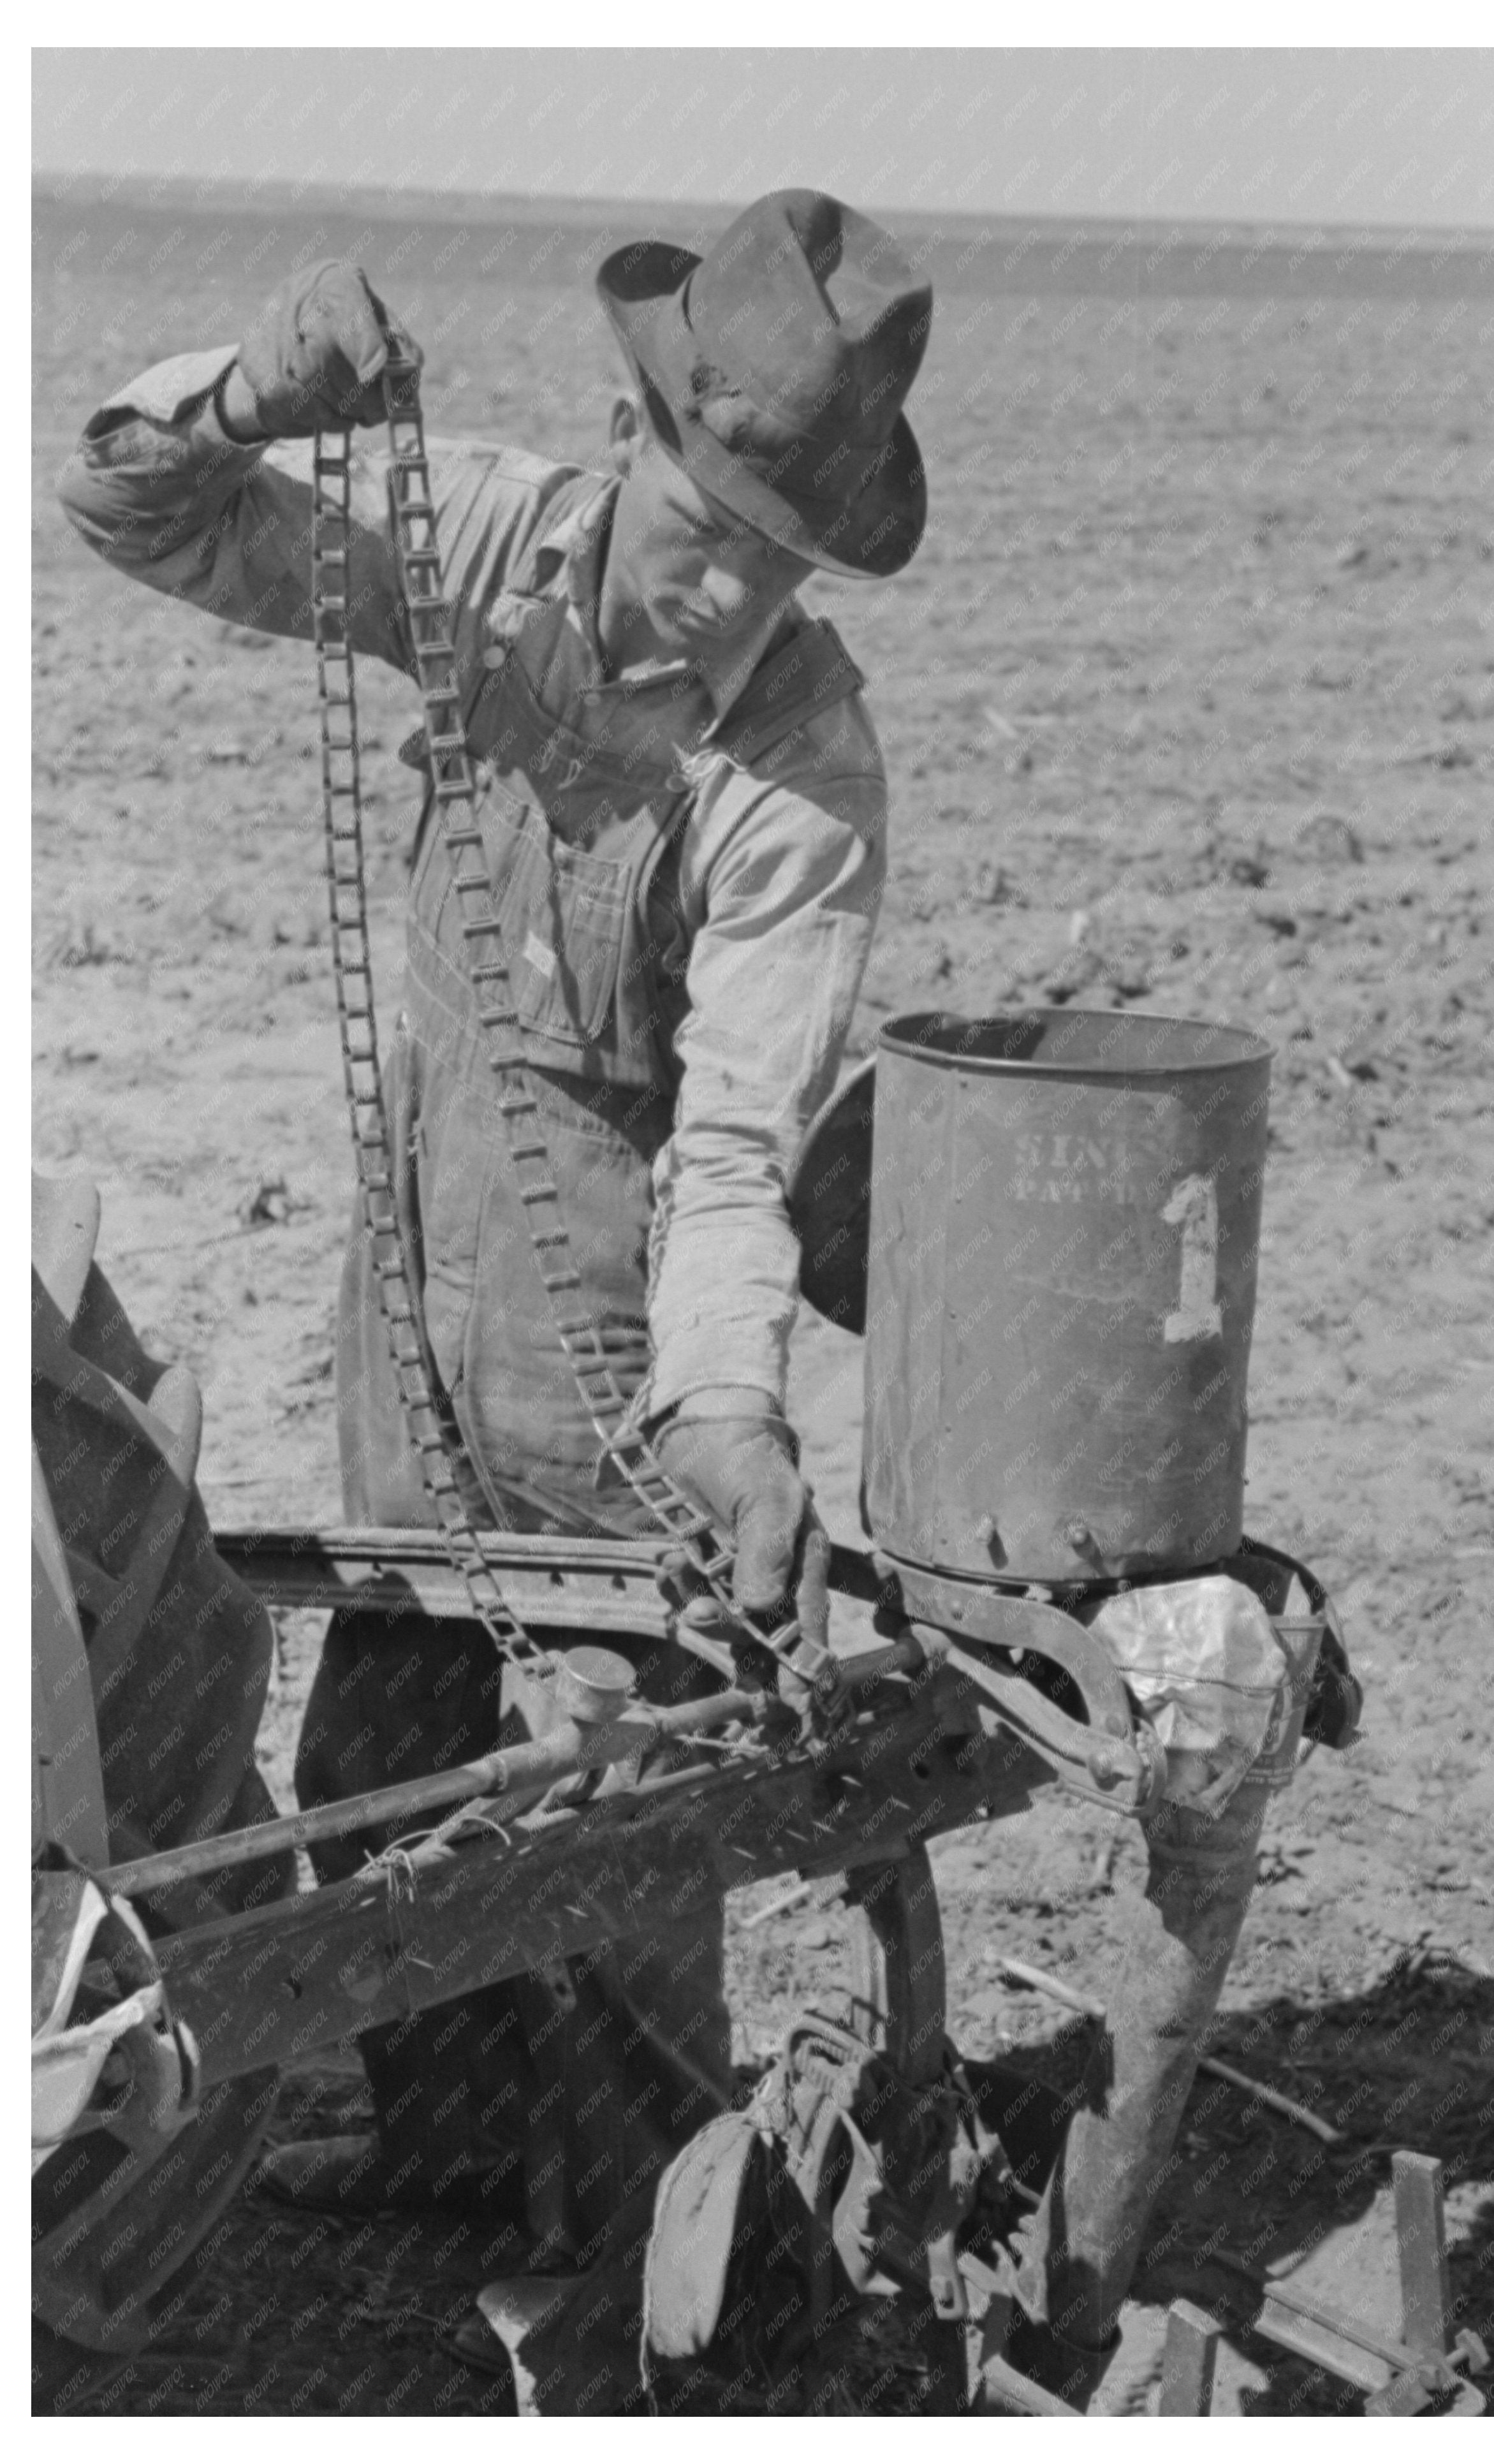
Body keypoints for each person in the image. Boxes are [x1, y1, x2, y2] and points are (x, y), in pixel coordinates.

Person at [58, 190, 931, 2289]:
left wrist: (727, 1410)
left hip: (620, 1342)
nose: (721, 590)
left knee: (632, 1799)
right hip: (409, 1285)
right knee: (384, 1747)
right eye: (702, 523)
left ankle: (652, 2230)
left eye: (771, 561)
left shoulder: (800, 776)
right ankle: (444, 2149)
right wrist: (243, 393)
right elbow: (133, 511)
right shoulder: (465, 537)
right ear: (629, 440)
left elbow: (740, 1137)